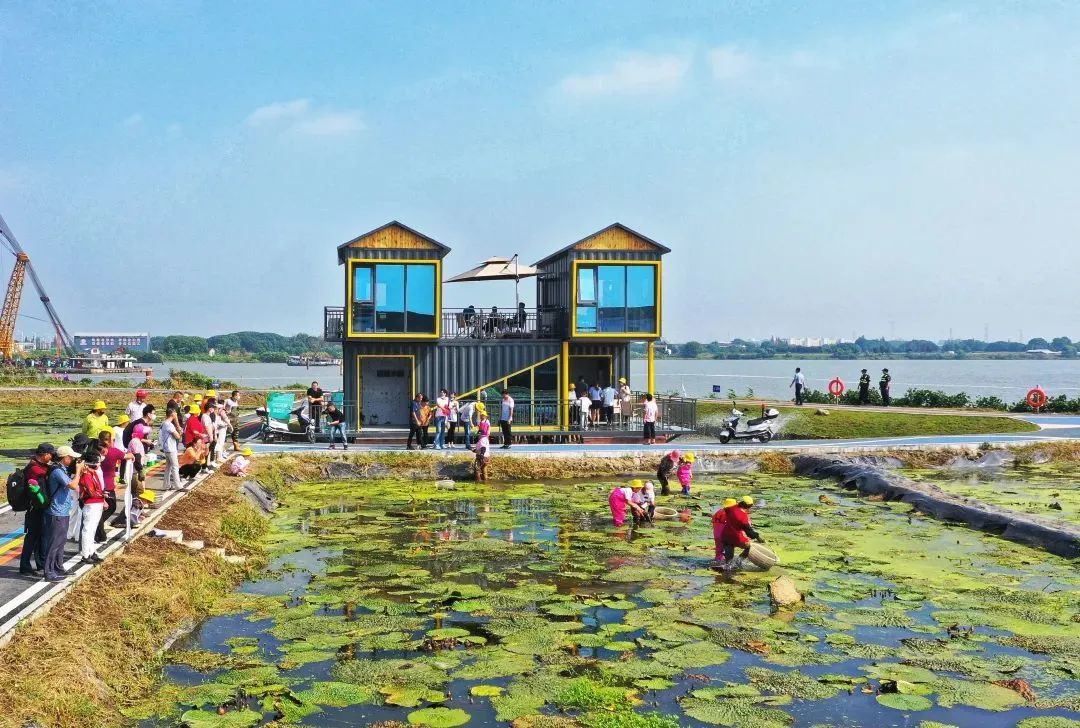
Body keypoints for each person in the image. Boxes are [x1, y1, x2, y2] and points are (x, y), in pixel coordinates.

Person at [44, 446, 81, 582]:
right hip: (56, 511)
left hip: (63, 510)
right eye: (70, 457)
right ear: (64, 457)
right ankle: (48, 572)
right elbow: (73, 485)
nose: (72, 460)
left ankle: (58, 567)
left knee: (61, 541)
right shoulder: (57, 471)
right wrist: (78, 471)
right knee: (54, 543)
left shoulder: (62, 469)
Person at [20, 443, 55, 576]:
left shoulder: (39, 465)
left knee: (40, 536)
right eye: (50, 454)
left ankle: (40, 563)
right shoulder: (35, 469)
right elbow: (46, 474)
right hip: (35, 508)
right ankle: (25, 566)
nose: (52, 457)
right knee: (32, 537)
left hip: (39, 507)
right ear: (44, 454)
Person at [96, 431, 132, 544]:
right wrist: (133, 455)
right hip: (108, 484)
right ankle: (99, 530)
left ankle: (98, 528)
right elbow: (128, 456)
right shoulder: (113, 451)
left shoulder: (96, 451)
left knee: (100, 508)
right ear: (110, 440)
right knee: (111, 507)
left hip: (96, 483)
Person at [77, 448, 106, 565]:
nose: (99, 464)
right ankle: (85, 554)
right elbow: (91, 492)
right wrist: (102, 495)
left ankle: (92, 551)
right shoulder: (86, 475)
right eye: (98, 462)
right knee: (88, 529)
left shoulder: (92, 473)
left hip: (97, 503)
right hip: (91, 504)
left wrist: (102, 498)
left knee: (92, 529)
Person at [721, 496, 763, 566]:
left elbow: (726, 509)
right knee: (750, 548)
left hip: (726, 535)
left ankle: (727, 565)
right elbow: (749, 532)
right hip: (737, 537)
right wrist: (758, 537)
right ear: (749, 506)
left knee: (729, 556)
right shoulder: (743, 517)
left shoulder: (731, 508)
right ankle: (739, 561)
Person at [159, 404, 183, 491]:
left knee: (168, 467)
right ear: (172, 414)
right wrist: (180, 431)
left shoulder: (164, 423)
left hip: (166, 447)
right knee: (175, 467)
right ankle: (178, 486)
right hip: (171, 448)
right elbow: (177, 436)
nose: (176, 414)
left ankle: (166, 485)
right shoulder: (169, 425)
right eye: (175, 413)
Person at [712, 498, 737, 563]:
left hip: (717, 535)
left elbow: (713, 521)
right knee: (729, 551)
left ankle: (718, 561)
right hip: (725, 535)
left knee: (719, 550)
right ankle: (727, 564)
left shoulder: (719, 512)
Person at [474, 409, 491, 482]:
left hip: (482, 456)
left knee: (477, 469)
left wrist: (481, 454)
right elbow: (480, 448)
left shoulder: (482, 439)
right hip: (487, 456)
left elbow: (483, 448)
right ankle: (485, 481)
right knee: (484, 469)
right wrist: (473, 450)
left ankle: (478, 481)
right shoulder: (484, 439)